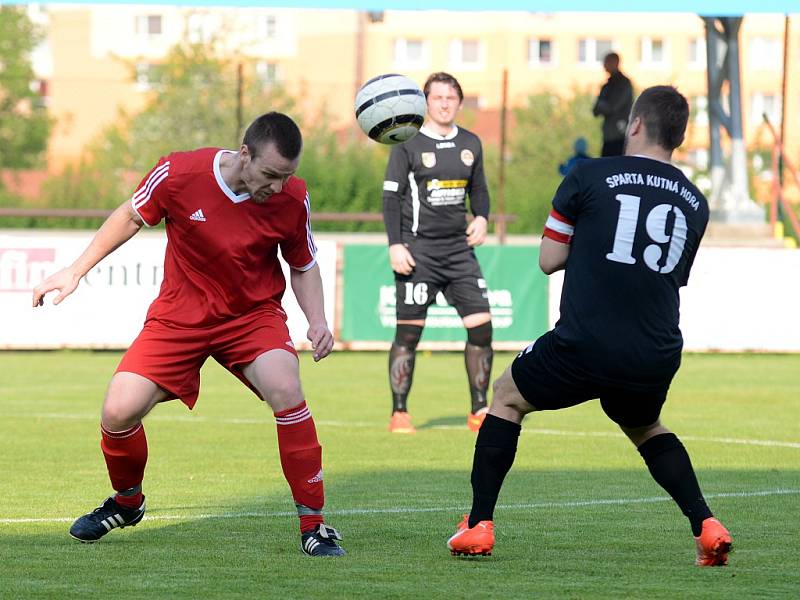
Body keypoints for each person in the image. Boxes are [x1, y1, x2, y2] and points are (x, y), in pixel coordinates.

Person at [32, 112, 345, 557]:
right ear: (245, 154)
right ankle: (127, 502)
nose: (277, 187)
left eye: (286, 176)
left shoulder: (293, 196)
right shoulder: (180, 173)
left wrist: (316, 319)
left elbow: (303, 263)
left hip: (251, 317)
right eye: (270, 174)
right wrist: (75, 271)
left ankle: (314, 526)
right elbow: (129, 216)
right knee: (118, 410)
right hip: (180, 317)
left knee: (285, 386)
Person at [446, 86, 732, 567]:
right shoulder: (695, 203)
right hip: (655, 351)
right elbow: (666, 276)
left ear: (634, 124)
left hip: (586, 343)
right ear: (680, 137)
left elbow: (548, 259)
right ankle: (706, 524)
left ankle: (477, 525)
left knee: (506, 397)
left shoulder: (588, 174)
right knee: (644, 424)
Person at [382, 71, 493, 434]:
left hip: (460, 253)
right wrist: (395, 244)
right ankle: (400, 412)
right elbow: (391, 199)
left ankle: (479, 410)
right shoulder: (407, 145)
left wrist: (482, 218)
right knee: (409, 335)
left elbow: (479, 190)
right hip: (418, 254)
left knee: (482, 330)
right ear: (425, 103)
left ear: (459, 102)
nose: (444, 104)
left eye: (451, 98)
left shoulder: (472, 143)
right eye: (437, 98)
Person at [592, 52, 633, 157]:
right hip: (608, 135)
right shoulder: (607, 86)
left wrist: (604, 106)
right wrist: (603, 106)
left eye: (607, 62)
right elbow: (596, 110)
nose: (604, 66)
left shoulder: (624, 84)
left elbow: (614, 107)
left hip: (620, 134)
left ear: (615, 63)